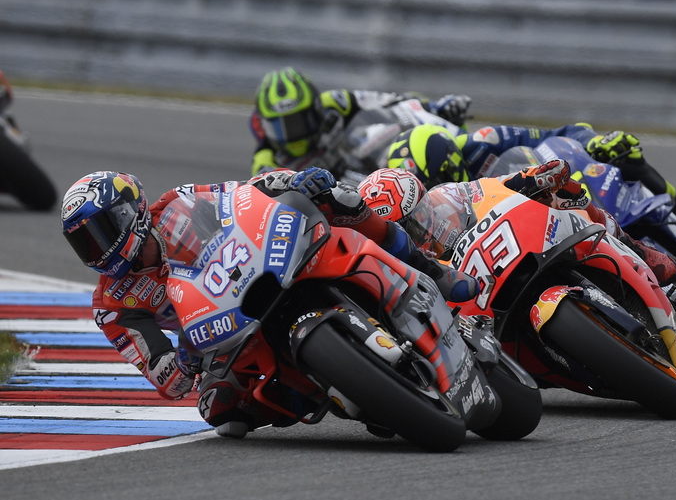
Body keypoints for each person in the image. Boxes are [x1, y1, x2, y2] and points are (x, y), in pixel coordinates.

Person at [60, 170, 476, 439]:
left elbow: (242, 196)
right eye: (85, 243)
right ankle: (331, 388)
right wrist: (185, 360)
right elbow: (167, 381)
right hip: (221, 333)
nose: (97, 249)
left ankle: (430, 270)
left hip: (260, 266)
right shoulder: (112, 305)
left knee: (338, 200)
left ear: (130, 212)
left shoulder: (176, 203)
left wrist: (294, 182)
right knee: (219, 409)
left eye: (102, 231)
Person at [386, 124, 676, 244]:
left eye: (439, 182)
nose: (438, 195)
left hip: (553, 191)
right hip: (521, 234)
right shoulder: (434, 218)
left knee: (623, 154)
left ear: (450, 162)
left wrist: (593, 142)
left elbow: (561, 133)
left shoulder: (484, 141)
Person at [359, 164, 676, 287]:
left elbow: (490, 187)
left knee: (566, 197)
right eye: (407, 228)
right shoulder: (397, 269)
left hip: (507, 247)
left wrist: (530, 178)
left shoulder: (448, 197)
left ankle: (633, 248)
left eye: (419, 215)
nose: (421, 228)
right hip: (468, 292)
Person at [249, 66, 471, 176]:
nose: (291, 134)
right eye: (279, 127)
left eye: (298, 121)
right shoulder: (266, 161)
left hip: (364, 163)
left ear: (315, 108)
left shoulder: (334, 102)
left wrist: (433, 108)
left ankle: (459, 142)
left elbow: (391, 100)